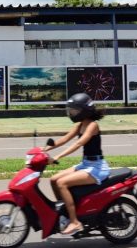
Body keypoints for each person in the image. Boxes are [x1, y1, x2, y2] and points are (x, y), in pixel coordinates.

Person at [44, 92, 110, 236]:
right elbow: (65, 139)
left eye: (74, 110)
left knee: (62, 183)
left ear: (84, 110)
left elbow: (79, 143)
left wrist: (58, 156)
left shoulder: (92, 125)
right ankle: (66, 212)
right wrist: (45, 149)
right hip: (86, 164)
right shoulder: (80, 124)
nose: (71, 113)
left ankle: (75, 222)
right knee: (54, 180)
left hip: (96, 167)